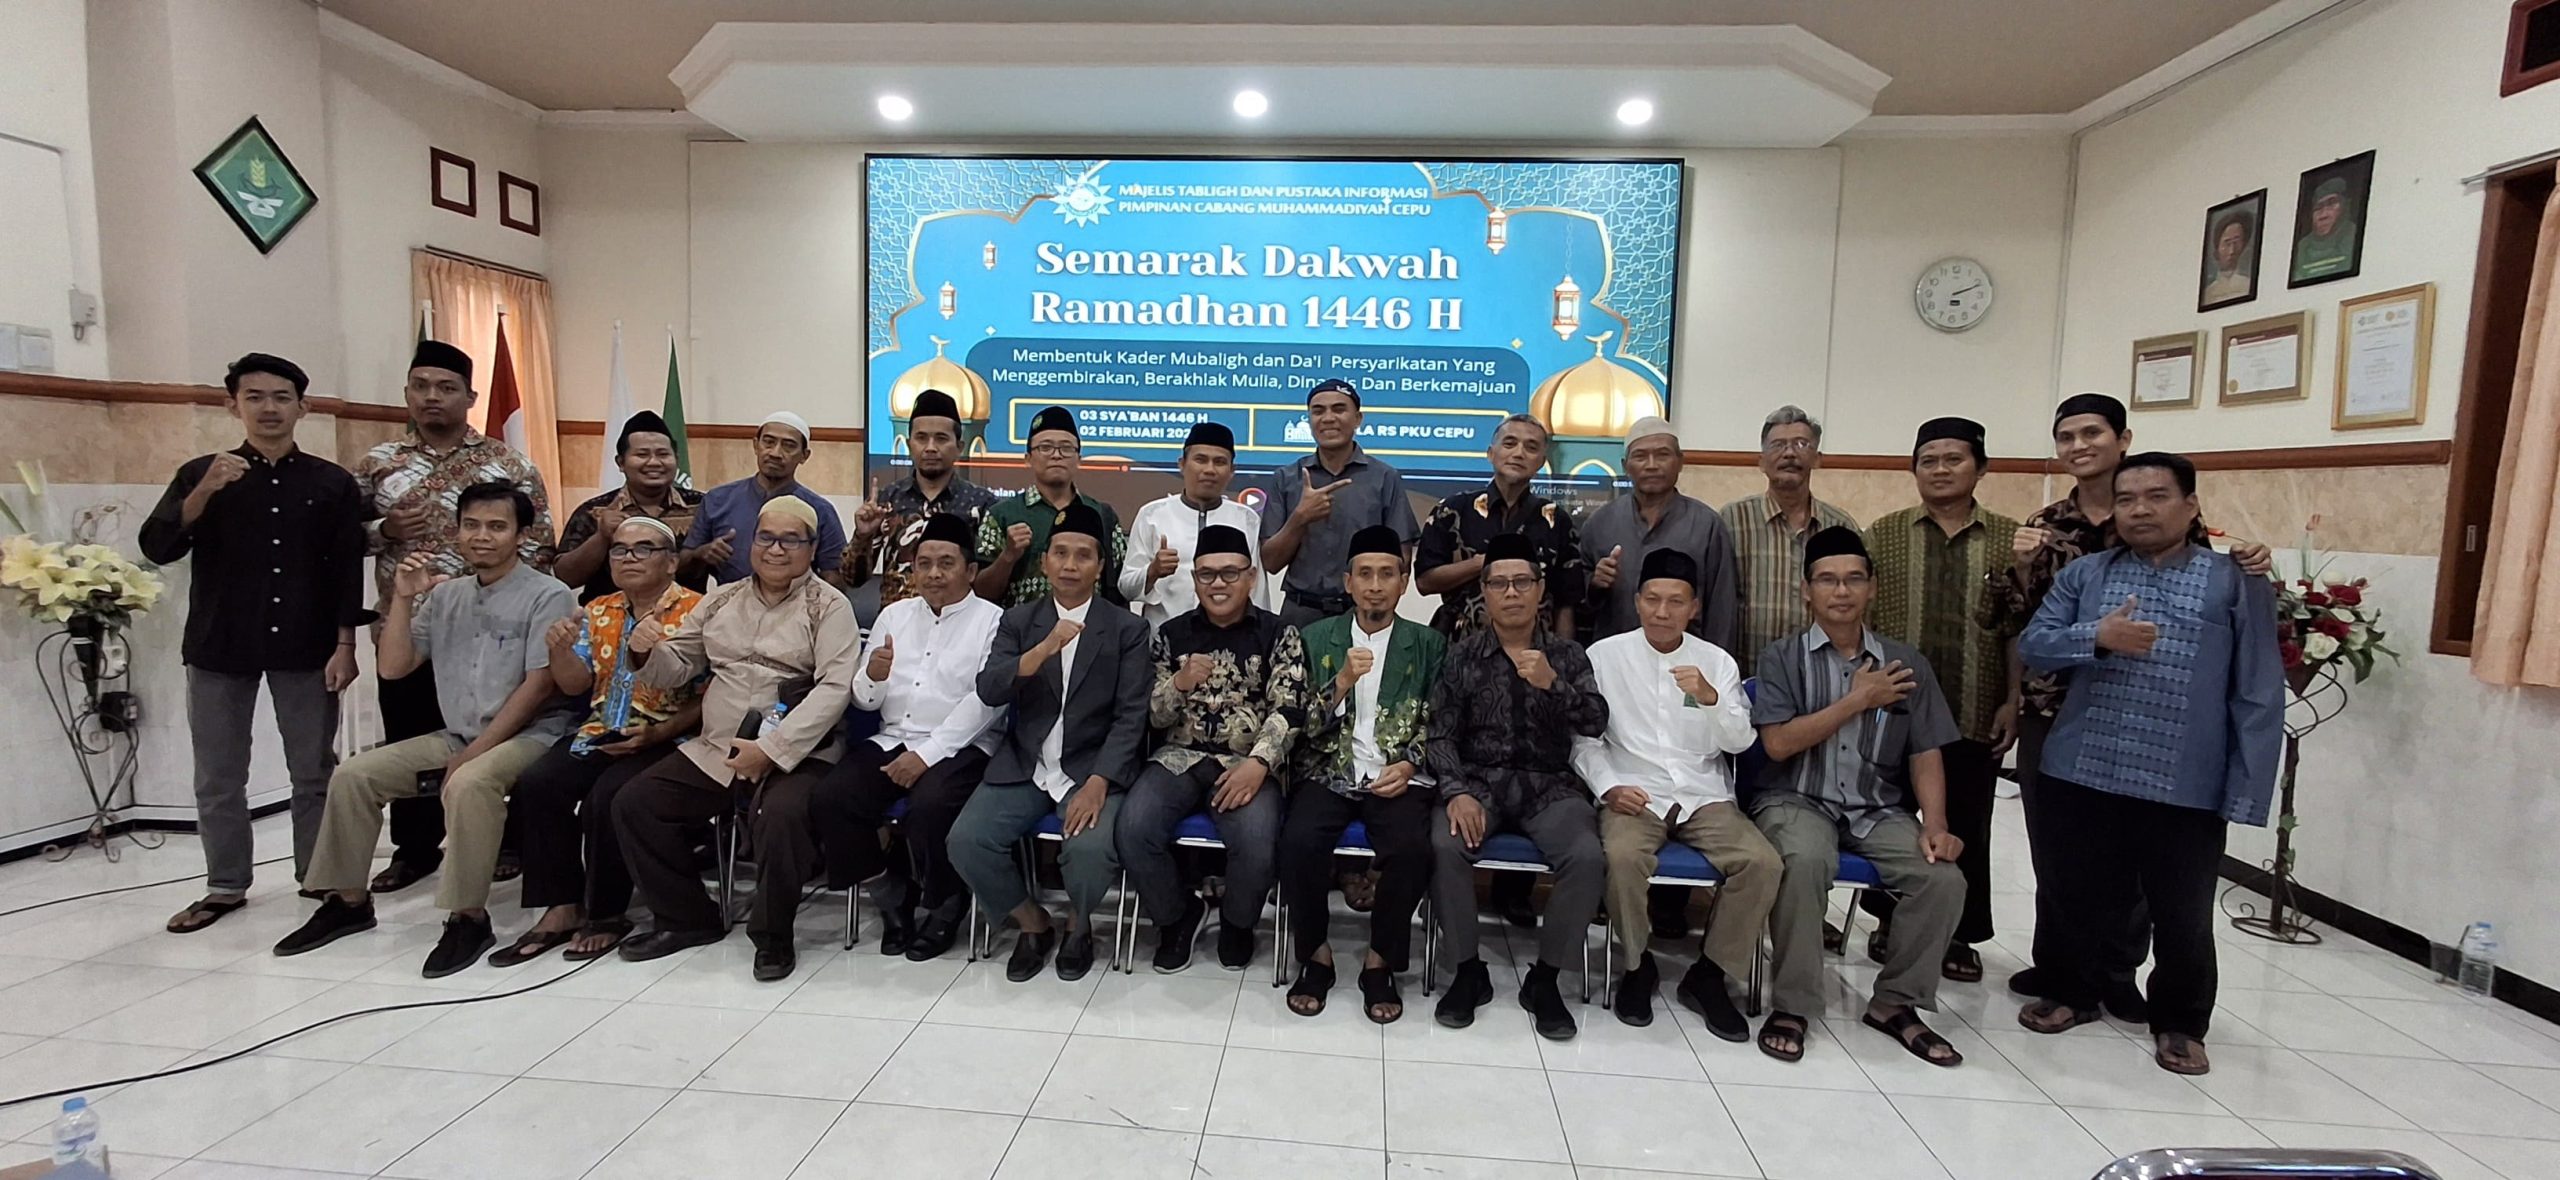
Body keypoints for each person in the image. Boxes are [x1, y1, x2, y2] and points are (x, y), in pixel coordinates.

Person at [1980, 393, 2272, 1018]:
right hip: (2080, 747)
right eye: (2129, 501)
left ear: (2190, 505)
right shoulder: (2079, 565)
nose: (2141, 509)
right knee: (2072, 880)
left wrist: (2247, 788)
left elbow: (2257, 688)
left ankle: (2168, 1013)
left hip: (2183, 766)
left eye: (2156, 498)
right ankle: (2070, 987)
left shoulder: (2230, 578)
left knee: (2178, 905)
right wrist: (2097, 636)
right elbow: (2030, 637)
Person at [274, 482, 579, 978]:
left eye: (497, 526)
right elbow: (394, 667)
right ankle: (348, 901)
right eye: (471, 525)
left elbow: (539, 686)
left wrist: (474, 754)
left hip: (532, 734)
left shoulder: (548, 594)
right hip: (458, 734)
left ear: (521, 535)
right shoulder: (445, 595)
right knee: (354, 775)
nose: (482, 536)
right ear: (457, 531)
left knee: (470, 782)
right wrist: (402, 599)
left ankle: (467, 917)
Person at [141, 353, 368, 933]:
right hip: (220, 643)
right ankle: (224, 885)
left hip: (306, 642)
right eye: (255, 397)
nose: (269, 408)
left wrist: (345, 645)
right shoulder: (201, 473)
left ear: (302, 407)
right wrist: (206, 490)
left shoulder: (331, 482)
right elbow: (159, 546)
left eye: (281, 397)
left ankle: (319, 875)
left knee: (313, 770)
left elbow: (346, 570)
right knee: (218, 774)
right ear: (233, 405)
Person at [611, 495, 863, 982]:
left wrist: (770, 751)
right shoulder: (721, 599)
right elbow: (677, 666)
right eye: (767, 537)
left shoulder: (829, 606)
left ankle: (772, 937)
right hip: (718, 747)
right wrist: (644, 652)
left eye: (791, 540)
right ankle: (687, 918)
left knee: (781, 816)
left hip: (797, 750)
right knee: (635, 803)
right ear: (752, 541)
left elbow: (835, 688)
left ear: (812, 549)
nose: (776, 549)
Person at [1748, 526, 1968, 1068]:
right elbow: (1777, 744)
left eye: (1853, 579)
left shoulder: (1905, 664)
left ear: (1872, 587)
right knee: (1804, 861)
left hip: (1878, 807)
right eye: (1827, 580)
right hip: (1796, 797)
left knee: (1942, 879)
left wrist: (1935, 824)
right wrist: (1856, 700)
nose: (1841, 591)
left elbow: (1925, 751)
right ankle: (1794, 1005)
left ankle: (1895, 1002)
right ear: (1806, 591)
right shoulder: (1782, 658)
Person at [354, 340, 557, 895]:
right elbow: (340, 540)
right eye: (421, 386)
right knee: (410, 735)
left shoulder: (508, 464)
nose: (432, 397)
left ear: (470, 397)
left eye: (446, 388)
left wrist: (503, 604)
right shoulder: (378, 463)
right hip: (407, 628)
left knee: (500, 736)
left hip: (497, 635)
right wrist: (386, 531)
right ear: (407, 393)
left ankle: (502, 842)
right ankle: (415, 849)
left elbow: (541, 544)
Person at [1573, 549, 1775, 1036]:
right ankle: (1637, 966)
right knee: (1621, 857)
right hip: (1633, 789)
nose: (1662, 612)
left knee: (1763, 863)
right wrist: (1609, 788)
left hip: (1703, 793)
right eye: (1653, 599)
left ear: (1694, 607)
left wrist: (1711, 699)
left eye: (1676, 602)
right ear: (1637, 601)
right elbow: (1583, 740)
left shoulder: (1716, 662)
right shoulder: (1604, 656)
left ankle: (1709, 976)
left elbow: (1739, 743)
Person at [490, 517, 707, 966]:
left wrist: (659, 732)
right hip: (601, 728)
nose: (629, 558)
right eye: (620, 550)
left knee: (607, 796)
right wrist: (559, 651)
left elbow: (714, 694)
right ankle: (562, 906)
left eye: (643, 549)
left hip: (670, 735)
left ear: (671, 562)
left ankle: (607, 913)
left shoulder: (699, 611)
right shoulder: (597, 609)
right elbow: (574, 684)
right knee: (538, 784)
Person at [949, 503, 1151, 982]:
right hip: (1027, 762)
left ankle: (1079, 925)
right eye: (1060, 553)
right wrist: (1042, 649)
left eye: (1083, 555)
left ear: (1100, 567)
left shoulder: (1127, 629)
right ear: (1043, 562)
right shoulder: (1018, 621)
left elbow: (1131, 716)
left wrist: (1100, 781)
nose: (1069, 565)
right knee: (967, 841)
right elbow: (990, 688)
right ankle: (1032, 922)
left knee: (1089, 851)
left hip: (1091, 767)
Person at [1426, 533, 1610, 1041]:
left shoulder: (1568, 655)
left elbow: (1596, 722)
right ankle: (1467, 971)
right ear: (1484, 593)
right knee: (1444, 844)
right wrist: (1456, 791)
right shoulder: (1462, 656)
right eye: (1500, 584)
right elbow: (1439, 734)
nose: (1512, 593)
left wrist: (1554, 684)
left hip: (1549, 787)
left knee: (1586, 856)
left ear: (1540, 590)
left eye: (1522, 582)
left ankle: (1545, 979)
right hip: (1479, 783)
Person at [1855, 417, 2019, 985]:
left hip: (1976, 704)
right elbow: (1861, 617)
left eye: (1955, 459)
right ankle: (1890, 920)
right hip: (1895, 707)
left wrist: (2014, 698)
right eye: (1929, 460)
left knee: (1968, 819)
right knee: (1891, 815)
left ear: (1981, 467)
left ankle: (1960, 933)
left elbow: (2017, 628)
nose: (1941, 470)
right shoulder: (1885, 534)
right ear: (1914, 469)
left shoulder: (2008, 538)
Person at [814, 513, 1003, 960]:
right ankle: (889, 895)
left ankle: (945, 904)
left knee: (930, 807)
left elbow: (988, 703)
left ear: (970, 571)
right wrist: (874, 678)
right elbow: (865, 701)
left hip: (961, 745)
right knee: (832, 798)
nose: (933, 574)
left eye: (946, 564)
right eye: (924, 564)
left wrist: (927, 756)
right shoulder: (893, 615)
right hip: (893, 737)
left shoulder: (993, 621)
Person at [1119, 525, 1307, 973]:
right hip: (1178, 758)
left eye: (1229, 573)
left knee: (1258, 840)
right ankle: (1178, 915)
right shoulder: (1171, 634)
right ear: (1195, 579)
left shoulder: (1279, 633)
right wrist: (1179, 684)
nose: (1218, 584)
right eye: (1206, 575)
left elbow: (1290, 708)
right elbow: (1152, 717)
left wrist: (1259, 764)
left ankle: (1238, 924)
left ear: (1251, 577)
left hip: (1248, 761)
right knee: (1134, 828)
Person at [1281, 525, 1445, 1024]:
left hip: (1397, 774)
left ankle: (1380, 960)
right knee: (1298, 840)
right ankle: (1315, 954)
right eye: (1366, 574)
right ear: (1347, 582)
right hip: (1328, 770)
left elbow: (1441, 722)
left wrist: (1411, 762)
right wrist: (1342, 681)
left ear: (1403, 582)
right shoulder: (1314, 639)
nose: (1375, 585)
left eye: (1387, 574)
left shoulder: (1429, 644)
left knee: (1412, 849)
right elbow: (1298, 723)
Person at [1259, 378, 1420, 628]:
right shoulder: (1287, 478)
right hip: (1301, 613)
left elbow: (1401, 558)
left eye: (1339, 409)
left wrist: (1379, 609)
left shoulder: (1384, 477)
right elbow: (1270, 562)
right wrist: (1300, 518)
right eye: (1318, 411)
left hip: (1361, 613)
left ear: (1358, 419)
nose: (1328, 418)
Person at [1416, 413, 1589, 640]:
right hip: (1462, 646)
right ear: (1491, 453)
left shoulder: (1555, 520)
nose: (1519, 453)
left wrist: (1564, 656)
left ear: (1541, 462)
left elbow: (1566, 603)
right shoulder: (1453, 510)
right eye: (1509, 444)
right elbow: (1425, 581)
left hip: (1534, 648)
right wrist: (1479, 564)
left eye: (1531, 447)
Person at [1577, 416, 1740, 651]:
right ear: (1625, 466)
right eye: (1640, 456)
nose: (1651, 465)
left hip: (1686, 661)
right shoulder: (1600, 524)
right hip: (1616, 661)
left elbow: (1722, 610)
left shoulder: (1707, 526)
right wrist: (1595, 584)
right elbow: (1578, 605)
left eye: (1662, 455)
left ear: (1680, 462)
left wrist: (1715, 666)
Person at [1719, 405, 1856, 680]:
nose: (1790, 453)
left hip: (1822, 679)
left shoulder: (1840, 527)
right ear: (1761, 461)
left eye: (1801, 444)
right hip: (1746, 677)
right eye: (1778, 445)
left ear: (1817, 459)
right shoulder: (1731, 520)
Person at [840, 389, 998, 619]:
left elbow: (989, 583)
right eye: (921, 438)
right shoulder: (888, 500)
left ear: (959, 447)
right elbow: (852, 579)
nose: (930, 447)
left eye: (941, 439)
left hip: (961, 625)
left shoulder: (982, 503)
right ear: (909, 443)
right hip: (898, 625)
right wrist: (862, 536)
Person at [1119, 421, 1266, 631]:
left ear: (1232, 471)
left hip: (1232, 640)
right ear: (1182, 464)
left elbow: (1257, 592)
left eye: (1219, 462)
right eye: (1200, 460)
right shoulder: (1152, 515)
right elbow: (1126, 589)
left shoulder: (1246, 519)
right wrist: (1153, 571)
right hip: (1165, 639)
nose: (1209, 469)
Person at [975, 405, 1126, 609]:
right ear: (1028, 459)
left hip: (1089, 627)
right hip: (1019, 628)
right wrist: (1008, 556)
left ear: (1079, 459)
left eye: (1066, 448)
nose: (1056, 455)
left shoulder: (1102, 516)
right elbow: (980, 594)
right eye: (1045, 447)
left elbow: (1122, 586)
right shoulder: (1002, 514)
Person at [681, 410, 847, 586]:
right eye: (768, 442)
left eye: (788, 446)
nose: (775, 453)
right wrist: (701, 554)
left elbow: (835, 579)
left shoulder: (820, 510)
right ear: (756, 445)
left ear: (804, 456)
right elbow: (681, 567)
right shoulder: (718, 499)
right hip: (731, 601)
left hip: (797, 602)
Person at [554, 411, 705, 603]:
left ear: (676, 459)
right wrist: (601, 537)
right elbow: (564, 577)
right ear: (620, 462)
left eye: (663, 454)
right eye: (642, 455)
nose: (654, 462)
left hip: (689, 615)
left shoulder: (702, 506)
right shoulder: (594, 510)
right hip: (606, 617)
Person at [2292, 177, 2360, 282]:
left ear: (2345, 206)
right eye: (2318, 207)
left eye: (2331, 204)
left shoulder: (2354, 236)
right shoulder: (2302, 246)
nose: (2323, 215)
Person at [2201, 209, 2256, 306]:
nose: (2232, 251)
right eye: (2227, 243)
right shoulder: (2208, 293)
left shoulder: (2248, 284)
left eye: (2236, 242)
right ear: (2217, 247)